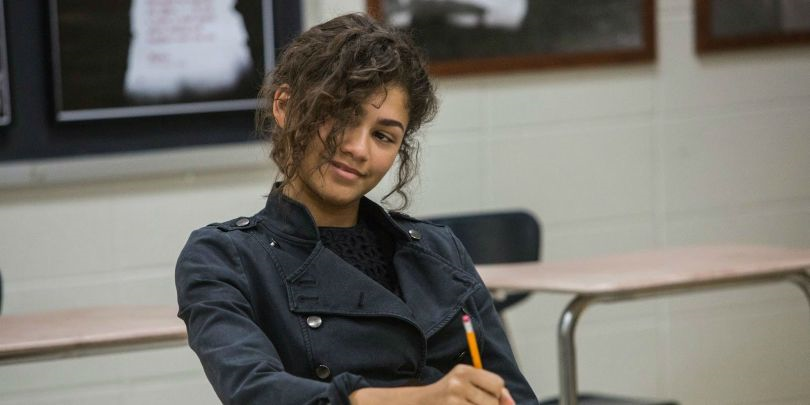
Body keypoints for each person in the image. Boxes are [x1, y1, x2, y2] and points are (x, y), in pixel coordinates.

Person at [175, 12, 539, 405]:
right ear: (284, 106)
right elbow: (256, 392)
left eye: (383, 135)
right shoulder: (223, 257)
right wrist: (422, 400)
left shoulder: (439, 250)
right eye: (342, 117)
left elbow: (514, 394)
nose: (358, 149)